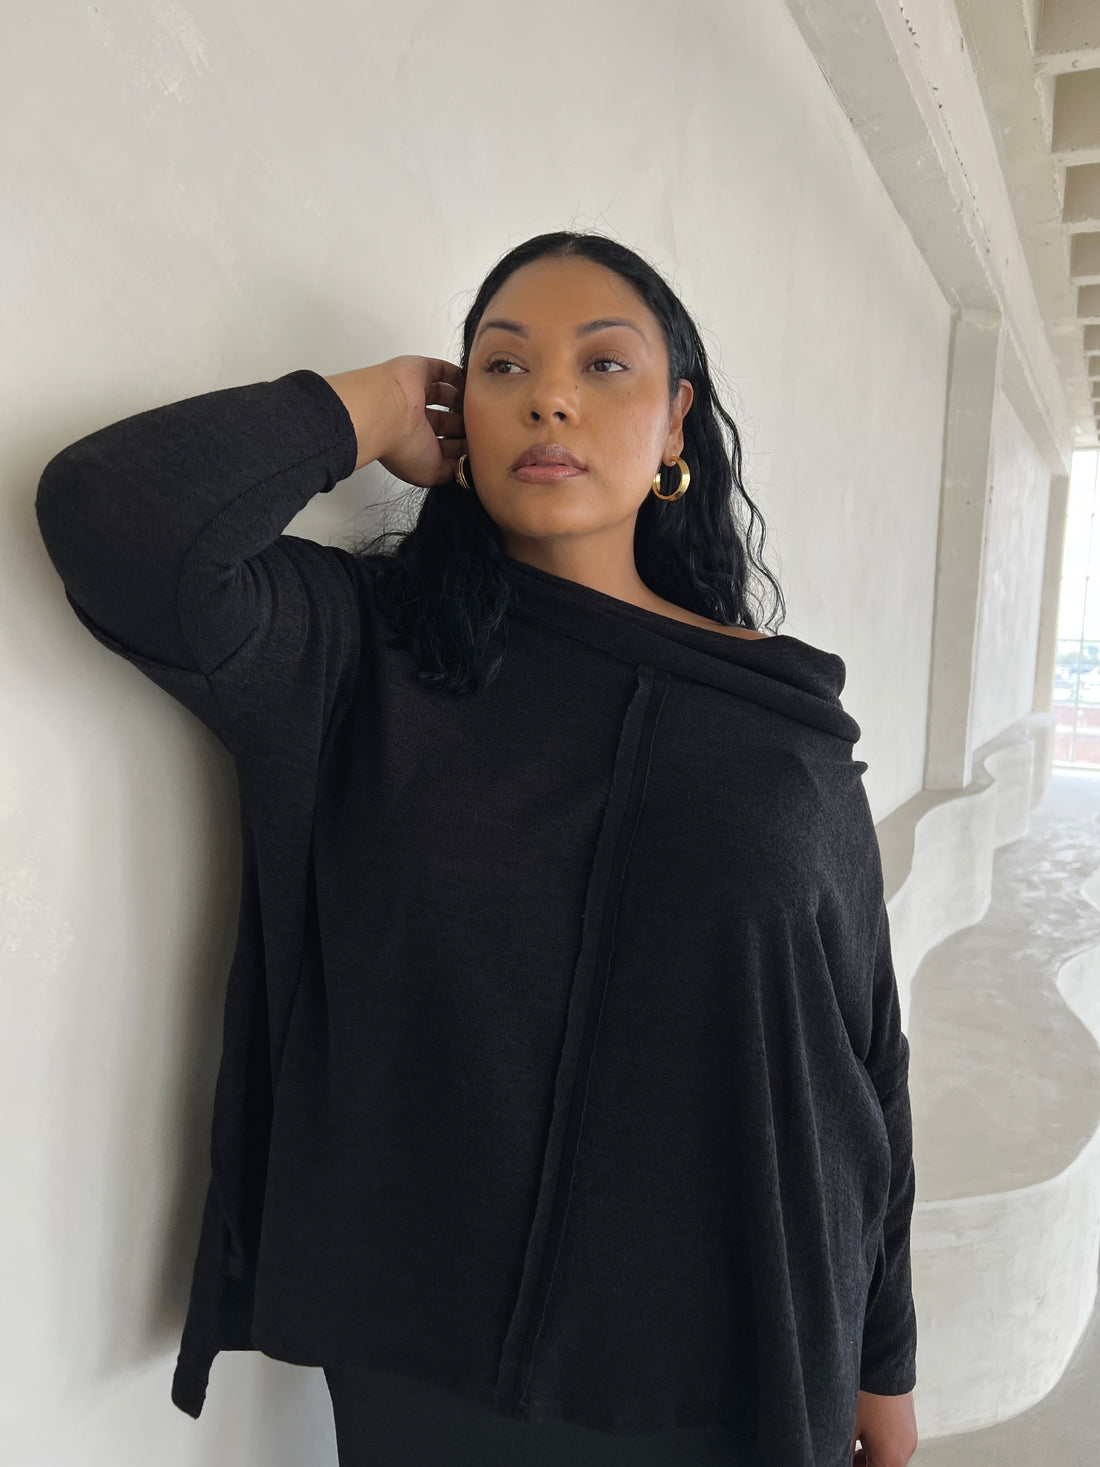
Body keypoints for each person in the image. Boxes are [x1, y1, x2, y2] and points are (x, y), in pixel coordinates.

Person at [34, 231, 918, 1467]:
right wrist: (373, 406)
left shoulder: (782, 716)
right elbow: (117, 517)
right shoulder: (360, 651)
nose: (548, 396)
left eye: (602, 365)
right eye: (502, 366)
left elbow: (862, 1050)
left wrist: (882, 1356)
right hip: (432, 1356)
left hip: (744, 1343)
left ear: (675, 421)